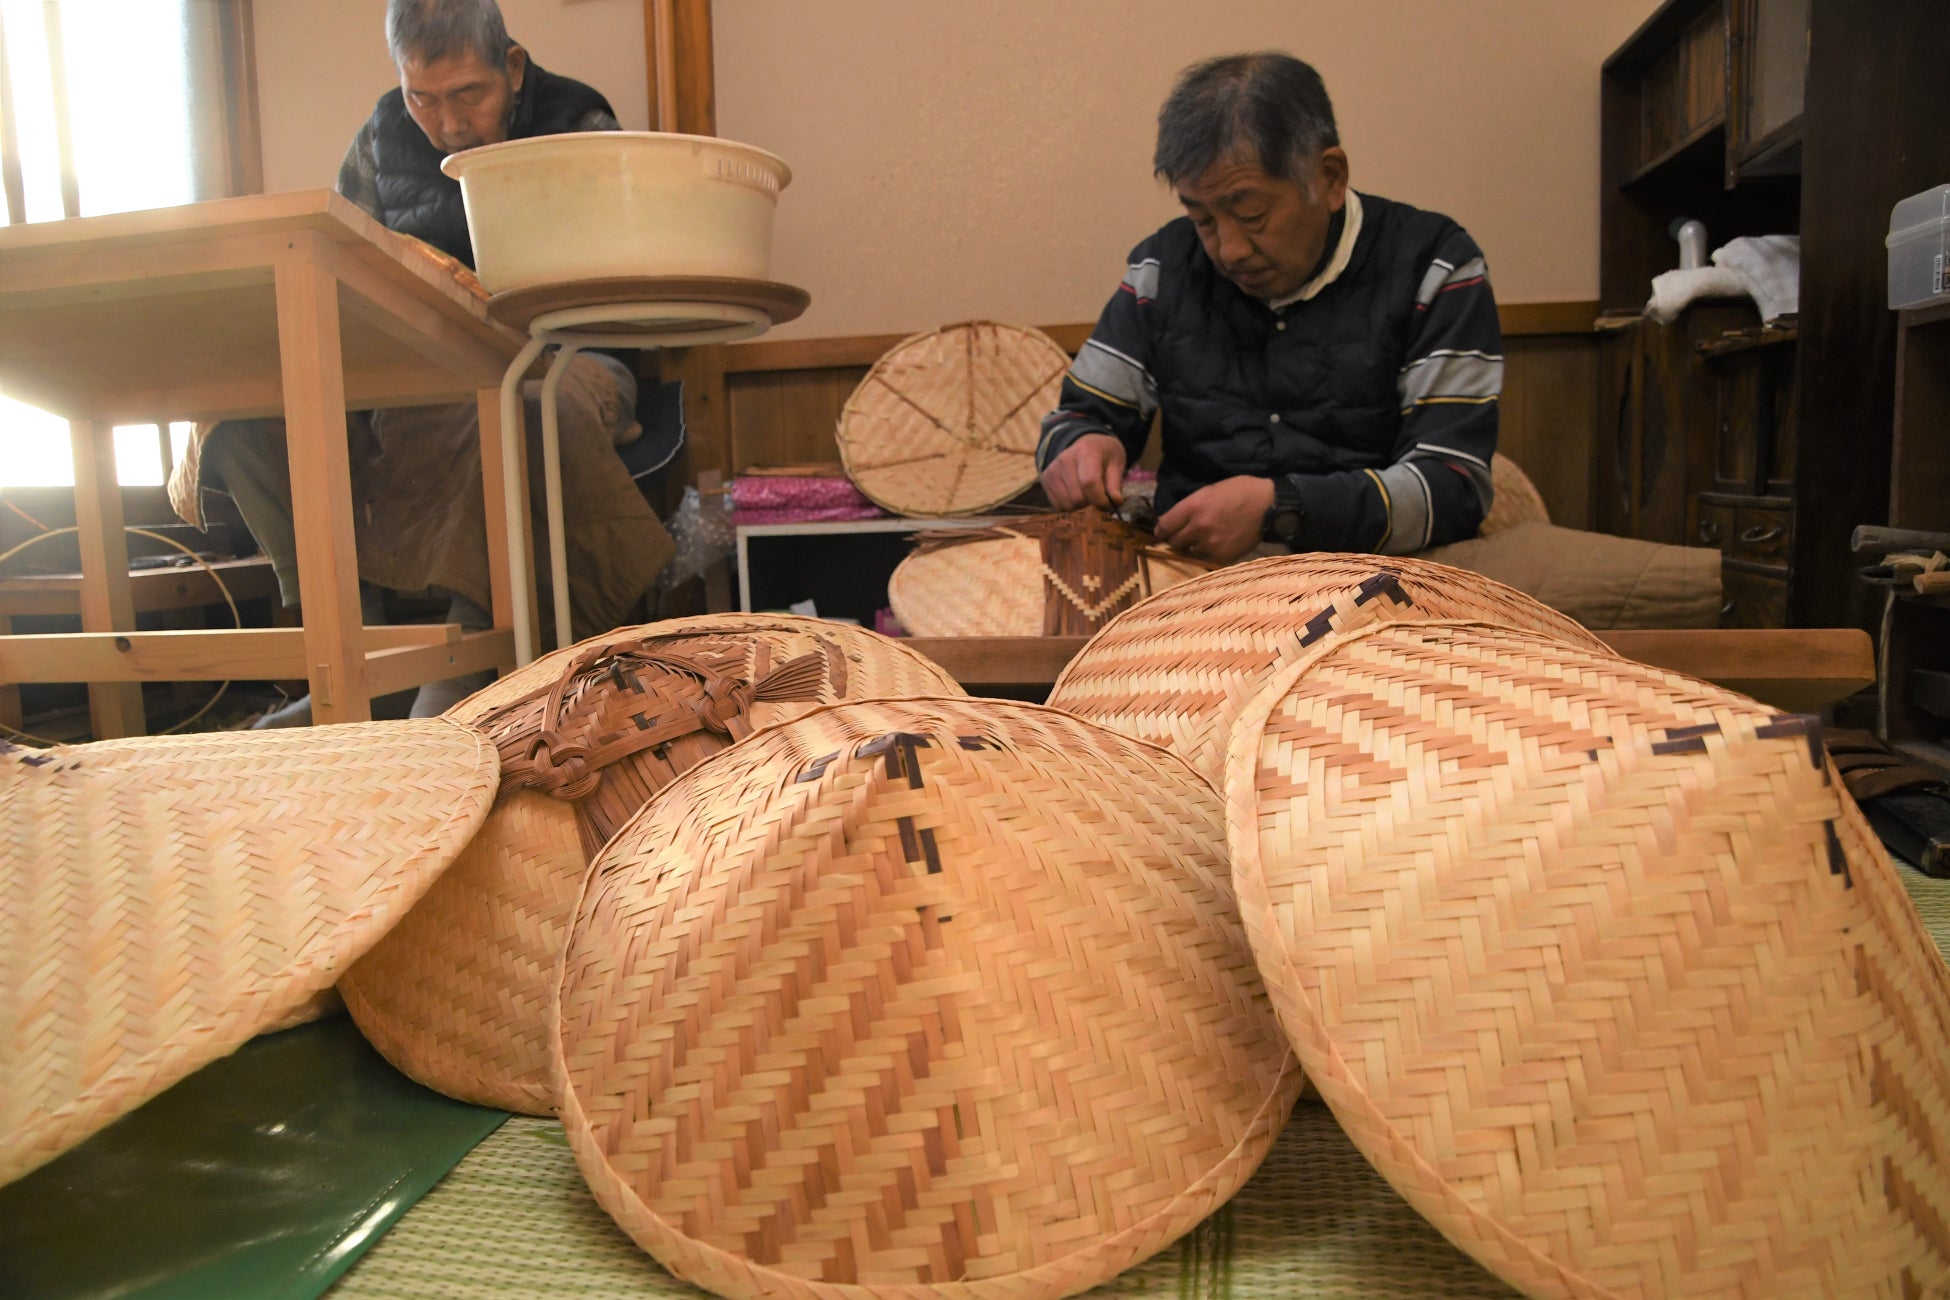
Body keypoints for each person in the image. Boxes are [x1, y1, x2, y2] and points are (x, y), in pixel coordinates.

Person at [169, 0, 674, 726]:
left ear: (512, 66)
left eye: (469, 93)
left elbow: (625, 270)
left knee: (516, 408)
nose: (448, 122)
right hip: (416, 375)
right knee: (242, 417)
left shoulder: (577, 120)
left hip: (566, 355)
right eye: (423, 98)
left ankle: (473, 658)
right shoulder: (380, 136)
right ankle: (355, 654)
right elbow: (344, 269)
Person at [1039, 52, 1500, 566]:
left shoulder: (1434, 265)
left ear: (1329, 177)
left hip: (1383, 576)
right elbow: (1077, 418)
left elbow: (1454, 484)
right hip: (1195, 579)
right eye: (1203, 220)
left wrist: (1283, 508)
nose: (1229, 249)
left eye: (1251, 214)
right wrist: (1077, 448)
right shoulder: (1162, 267)